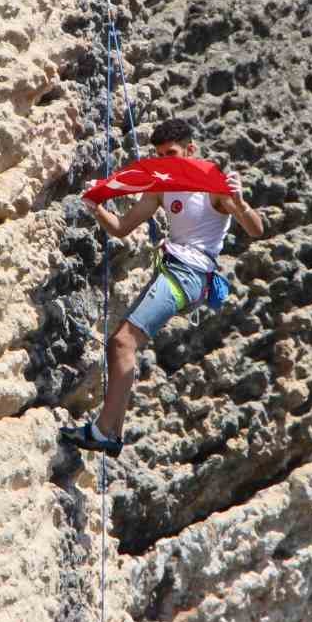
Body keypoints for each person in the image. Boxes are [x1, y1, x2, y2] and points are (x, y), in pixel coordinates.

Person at [60, 117, 266, 457]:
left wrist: (240, 203)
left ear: (191, 150)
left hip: (190, 275)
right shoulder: (161, 187)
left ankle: (104, 431)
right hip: (175, 272)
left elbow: (256, 229)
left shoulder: (213, 186)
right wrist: (96, 207)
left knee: (123, 342)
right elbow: (123, 227)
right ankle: (112, 430)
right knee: (123, 343)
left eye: (171, 153)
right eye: (159, 155)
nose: (165, 161)